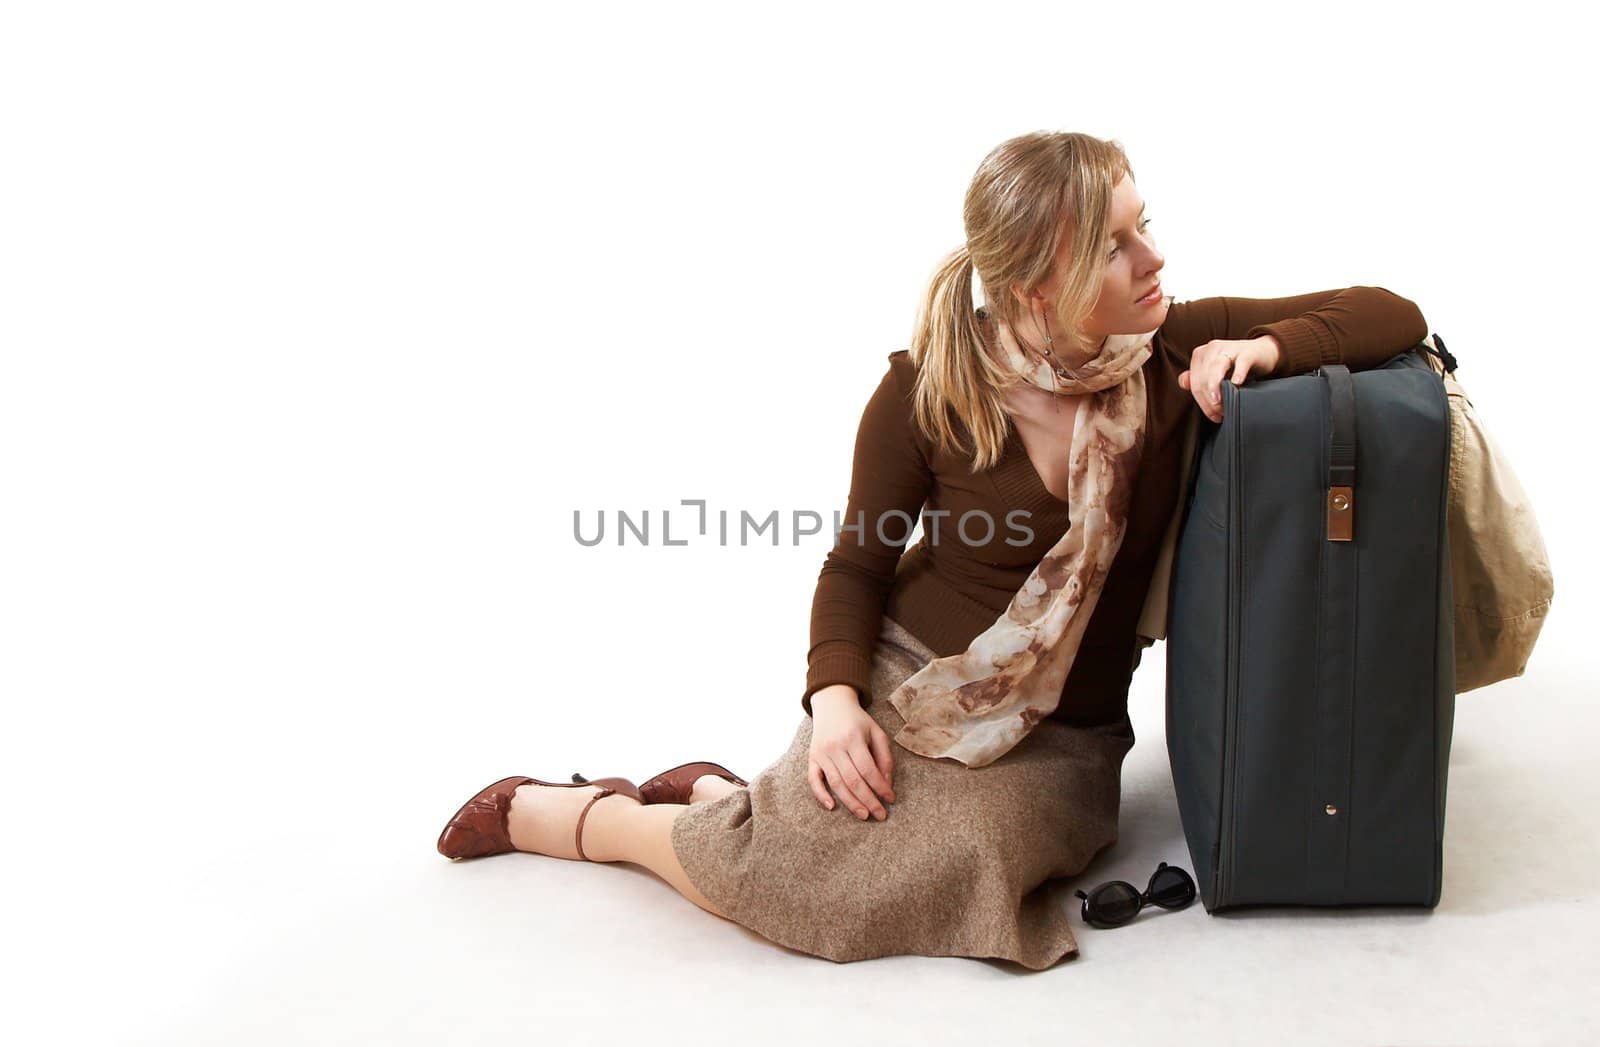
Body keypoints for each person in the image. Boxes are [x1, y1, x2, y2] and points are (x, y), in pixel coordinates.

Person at [434, 131, 1429, 970]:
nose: (1152, 259)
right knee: (788, 862)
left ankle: (712, 797)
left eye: (1143, 226)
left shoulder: (1164, 354)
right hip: (911, 674)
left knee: (979, 851)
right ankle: (588, 819)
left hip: (1063, 731)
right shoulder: (926, 393)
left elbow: (1390, 312)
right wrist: (832, 708)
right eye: (1115, 247)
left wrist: (1265, 349)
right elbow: (856, 569)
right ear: (1038, 285)